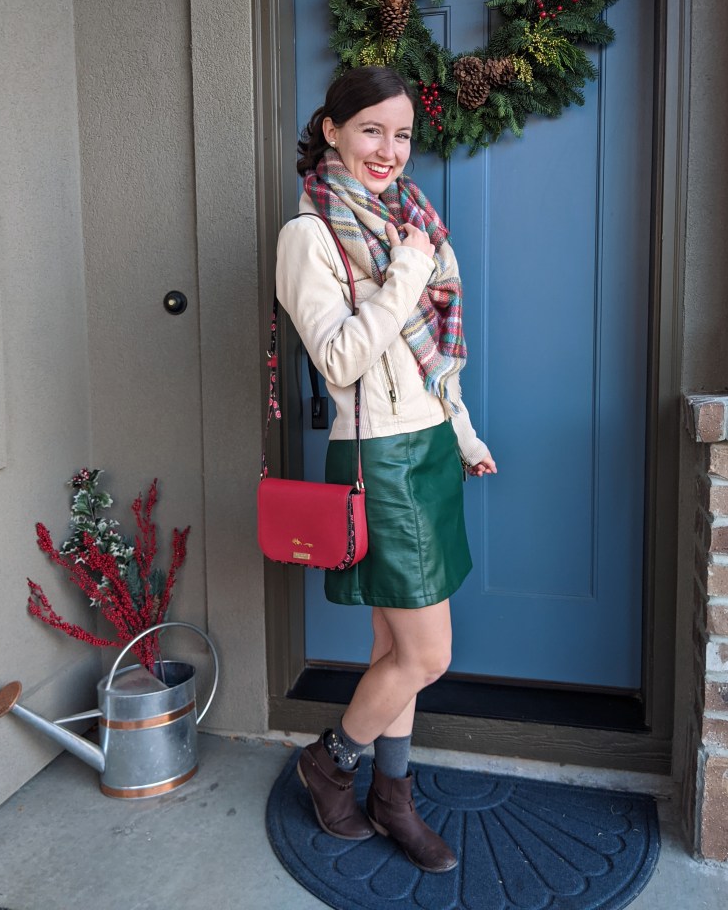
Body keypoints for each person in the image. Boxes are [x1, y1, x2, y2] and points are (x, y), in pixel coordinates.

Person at [276, 65, 496, 873]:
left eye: (401, 134)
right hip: (381, 459)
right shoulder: (309, 236)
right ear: (332, 130)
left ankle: (391, 797)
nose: (389, 149)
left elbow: (434, 361)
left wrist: (463, 435)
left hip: (427, 449)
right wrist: (405, 271)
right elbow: (340, 357)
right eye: (371, 129)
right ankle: (331, 761)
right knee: (426, 656)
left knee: (393, 648)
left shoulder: (410, 218)